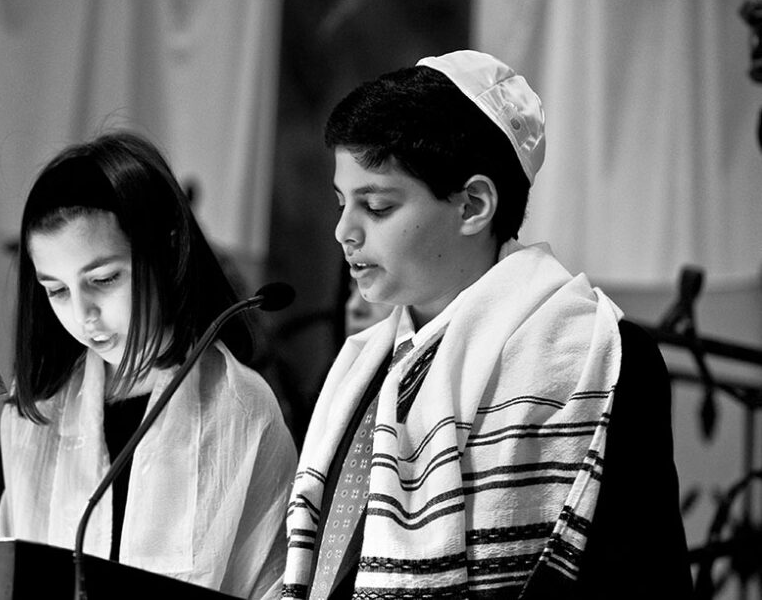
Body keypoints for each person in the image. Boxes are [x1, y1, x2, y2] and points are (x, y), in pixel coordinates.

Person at [283, 51, 692, 599]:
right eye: (340, 204)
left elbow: (642, 581)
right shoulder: (364, 362)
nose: (343, 233)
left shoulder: (594, 361)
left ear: (473, 204)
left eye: (376, 207)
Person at [0, 130, 297, 599]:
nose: (83, 314)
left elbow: (271, 584)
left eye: (103, 278)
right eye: (56, 290)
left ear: (166, 248)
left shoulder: (240, 409)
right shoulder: (37, 408)